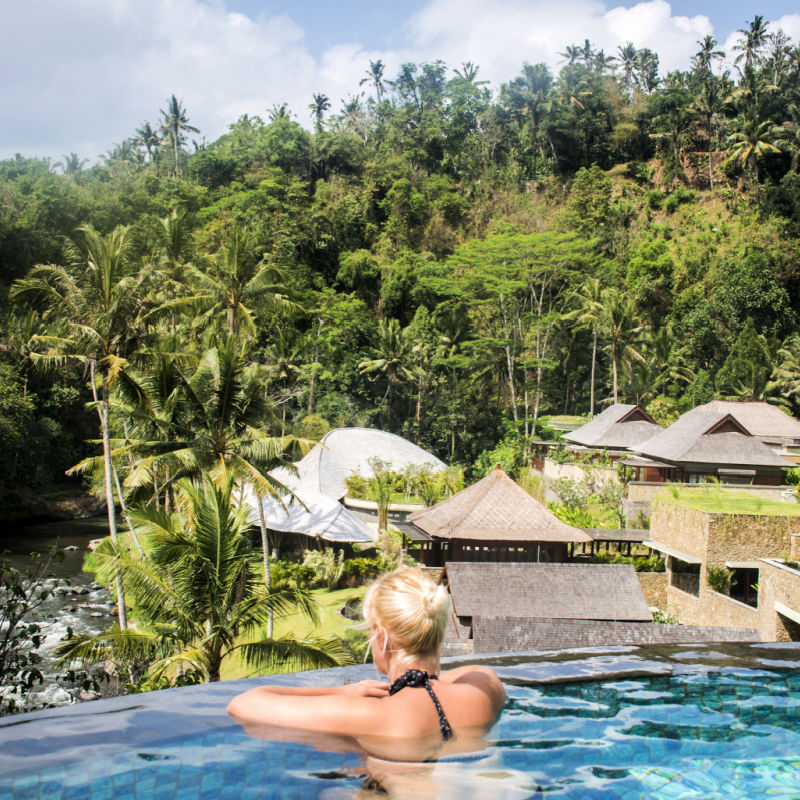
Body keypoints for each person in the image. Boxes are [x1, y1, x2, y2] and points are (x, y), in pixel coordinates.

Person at [226, 567, 505, 760]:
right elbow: (470, 671)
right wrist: (422, 677)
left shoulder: (370, 714)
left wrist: (341, 693)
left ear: (382, 636)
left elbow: (244, 704)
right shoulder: (483, 690)